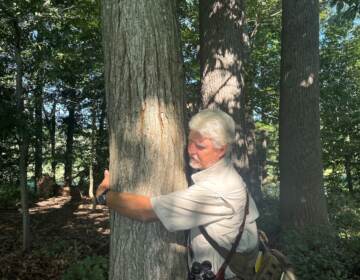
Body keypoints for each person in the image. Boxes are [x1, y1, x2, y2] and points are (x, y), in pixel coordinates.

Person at [96, 109, 259, 280]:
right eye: (190, 142)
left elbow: (145, 211)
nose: (190, 150)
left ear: (221, 150)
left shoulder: (217, 188)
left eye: (200, 146)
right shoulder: (229, 176)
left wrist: (104, 195)